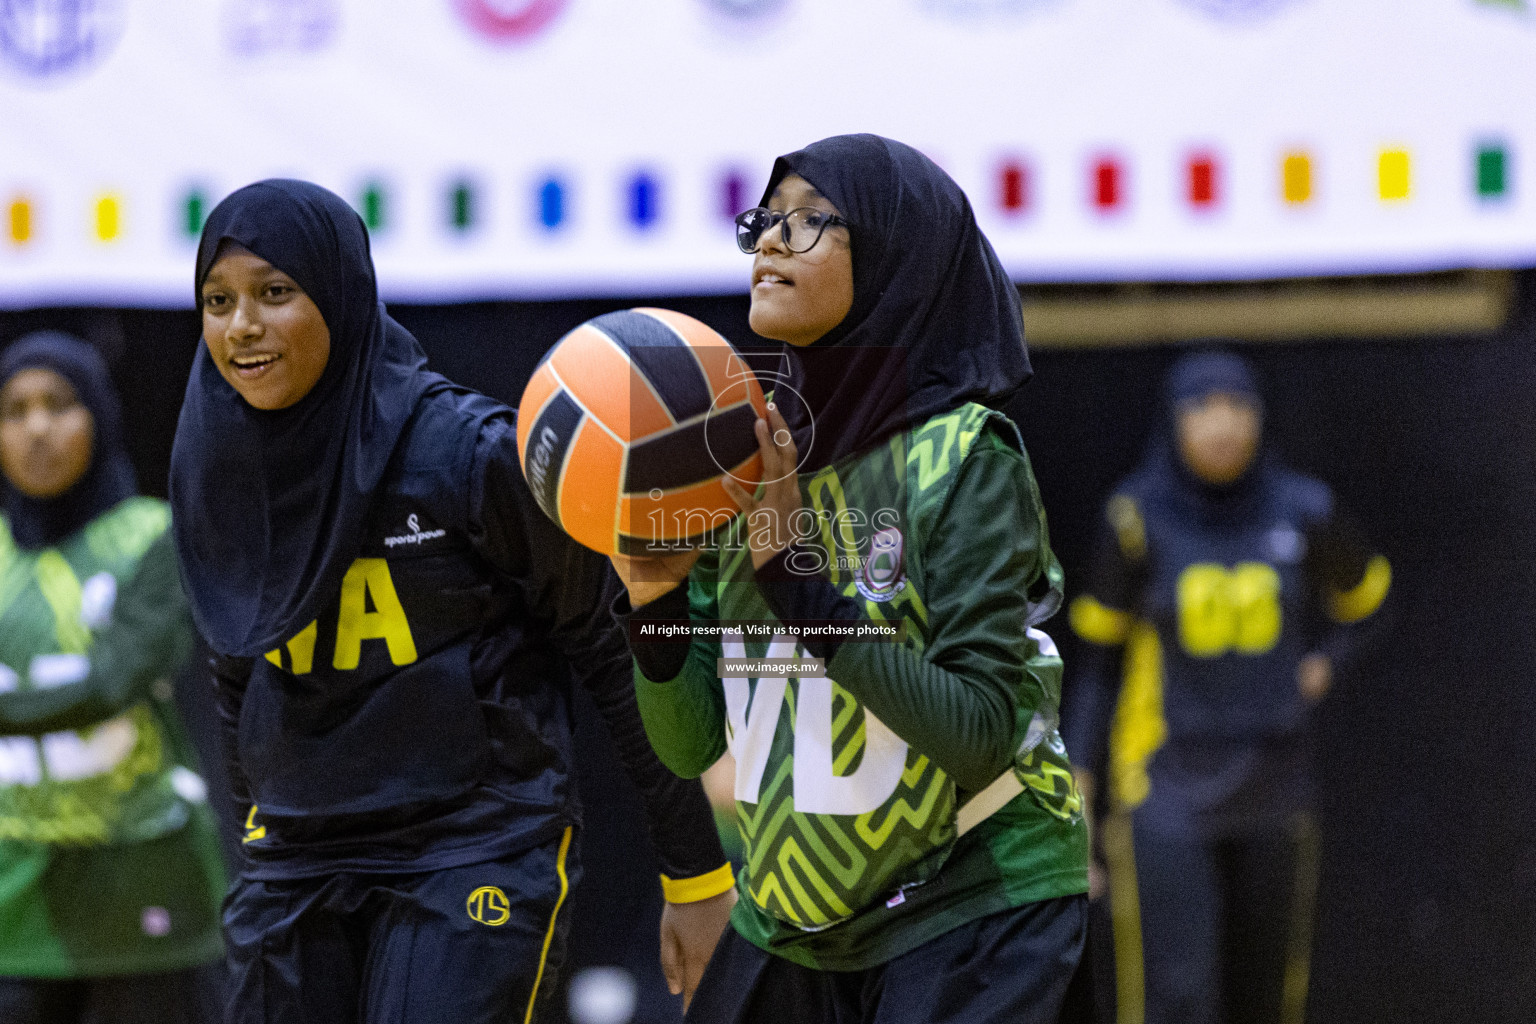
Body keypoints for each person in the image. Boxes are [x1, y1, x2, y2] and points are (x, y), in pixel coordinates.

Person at [167, 180, 734, 1024]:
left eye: (274, 293)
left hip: (472, 844)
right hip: (295, 855)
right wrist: (257, 836)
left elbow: (611, 655)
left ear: (342, 295)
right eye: (219, 300)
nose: (241, 325)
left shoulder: (465, 452)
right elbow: (234, 672)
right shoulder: (215, 465)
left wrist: (696, 873)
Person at [608, 134, 1091, 1024]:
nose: (767, 243)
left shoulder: (965, 456)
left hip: (971, 899)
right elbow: (691, 746)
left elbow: (983, 730)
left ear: (893, 257)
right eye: (762, 221)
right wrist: (655, 605)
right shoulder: (731, 450)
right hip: (796, 914)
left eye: (808, 223)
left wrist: (799, 585)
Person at [1062, 349, 1391, 1024]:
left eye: (1238, 407)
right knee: (1176, 998)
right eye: (1203, 409)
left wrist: (1328, 659)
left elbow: (1372, 601)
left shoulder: (1304, 509)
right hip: (1167, 789)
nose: (1223, 425)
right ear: (1173, 422)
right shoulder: (1136, 516)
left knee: (1268, 998)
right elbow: (1096, 665)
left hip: (1277, 786)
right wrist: (1078, 798)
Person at [0, 331, 226, 1024]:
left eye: (60, 404)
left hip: (143, 877)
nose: (37, 426)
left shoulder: (151, 534)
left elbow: (112, 681)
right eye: (15, 409)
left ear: (100, 417)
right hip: (16, 893)